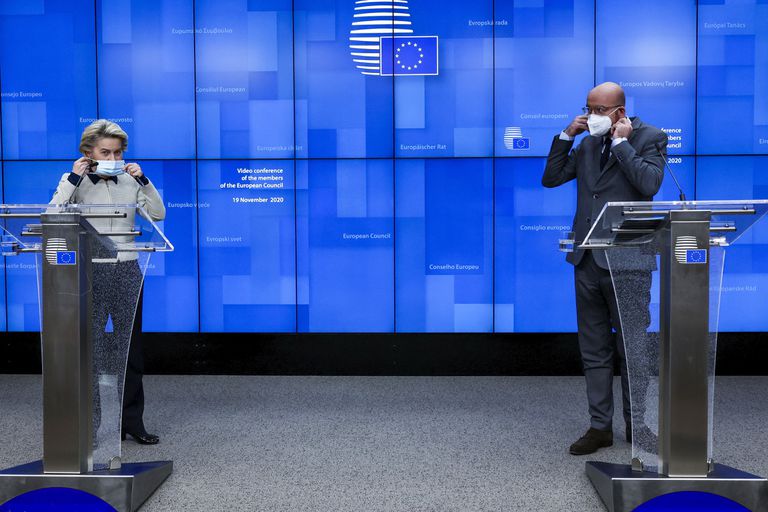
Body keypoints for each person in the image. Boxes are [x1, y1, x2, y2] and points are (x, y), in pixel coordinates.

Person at [542, 82, 667, 455]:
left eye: (601, 109)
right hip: (587, 261)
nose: (593, 115)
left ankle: (637, 425)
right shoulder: (585, 143)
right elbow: (550, 179)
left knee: (633, 348)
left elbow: (650, 183)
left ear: (620, 111)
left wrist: (622, 144)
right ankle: (600, 427)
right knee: (594, 349)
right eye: (589, 108)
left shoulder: (650, 137)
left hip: (628, 261)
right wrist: (566, 135)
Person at [50, 119, 166, 445]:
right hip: (90, 274)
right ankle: (93, 424)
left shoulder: (131, 183)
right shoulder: (74, 181)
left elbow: (158, 214)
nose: (113, 159)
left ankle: (132, 422)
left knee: (131, 353)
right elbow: (53, 213)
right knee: (93, 352)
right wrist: (74, 178)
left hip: (127, 271)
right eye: (105, 152)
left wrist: (143, 180)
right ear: (88, 152)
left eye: (117, 153)